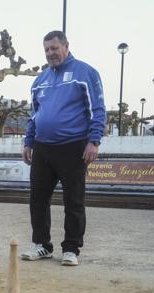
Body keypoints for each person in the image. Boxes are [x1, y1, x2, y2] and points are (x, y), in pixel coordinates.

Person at [21, 30, 106, 266]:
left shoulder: (85, 72)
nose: (50, 53)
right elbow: (34, 115)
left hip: (73, 147)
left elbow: (97, 109)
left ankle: (71, 248)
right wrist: (28, 141)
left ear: (66, 47)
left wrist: (94, 140)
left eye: (54, 48)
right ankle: (41, 245)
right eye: (46, 49)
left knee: (74, 201)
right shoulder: (40, 80)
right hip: (43, 148)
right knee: (37, 199)